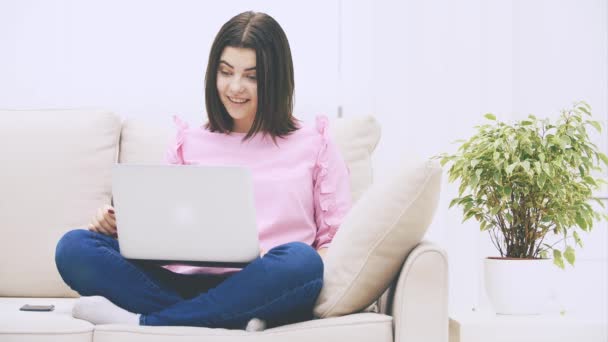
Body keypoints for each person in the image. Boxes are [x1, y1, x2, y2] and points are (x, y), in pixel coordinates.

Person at [54, 11, 351, 330]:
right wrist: (118, 227)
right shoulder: (188, 141)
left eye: (252, 76)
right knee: (74, 247)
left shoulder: (315, 143)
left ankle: (148, 322)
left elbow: (334, 245)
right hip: (180, 281)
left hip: (265, 280)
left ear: (276, 78)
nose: (235, 87)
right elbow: (163, 231)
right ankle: (230, 318)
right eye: (226, 72)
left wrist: (267, 262)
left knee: (302, 262)